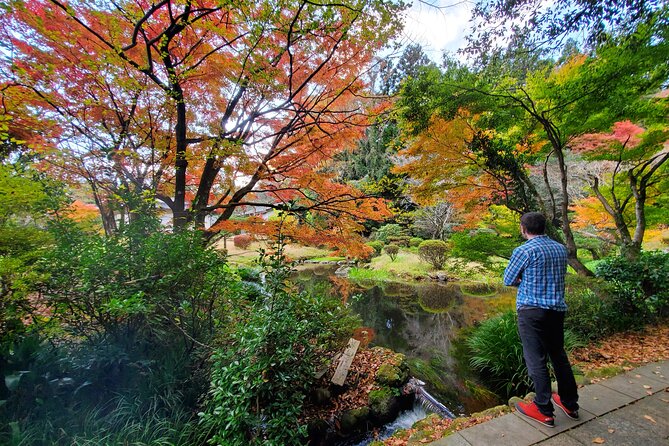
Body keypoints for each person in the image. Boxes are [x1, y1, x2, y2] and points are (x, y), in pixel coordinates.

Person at [503, 212, 579, 427]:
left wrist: (524, 281)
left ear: (523, 228)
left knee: (535, 358)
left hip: (531, 311)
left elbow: (508, 279)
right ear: (544, 227)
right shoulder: (559, 248)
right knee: (558, 355)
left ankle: (543, 408)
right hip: (556, 310)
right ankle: (570, 403)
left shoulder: (524, 250)